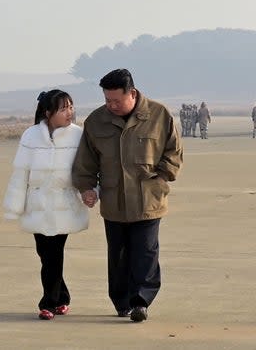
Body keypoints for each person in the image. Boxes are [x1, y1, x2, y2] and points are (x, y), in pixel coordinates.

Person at [73, 69, 183, 323]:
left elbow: (173, 151)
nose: (111, 105)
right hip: (114, 201)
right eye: (107, 100)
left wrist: (163, 177)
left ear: (132, 93)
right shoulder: (96, 121)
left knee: (145, 251)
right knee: (118, 254)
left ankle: (141, 301)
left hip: (148, 199)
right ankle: (122, 302)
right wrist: (87, 188)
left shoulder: (158, 115)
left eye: (116, 101)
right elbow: (86, 160)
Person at [3, 89, 89, 320]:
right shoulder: (30, 136)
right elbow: (21, 174)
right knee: (45, 253)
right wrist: (14, 206)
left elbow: (86, 170)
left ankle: (48, 303)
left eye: (71, 106)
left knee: (53, 253)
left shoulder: (78, 136)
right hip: (37, 205)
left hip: (64, 205)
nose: (70, 112)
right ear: (48, 112)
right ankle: (62, 296)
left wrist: (89, 193)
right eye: (63, 108)